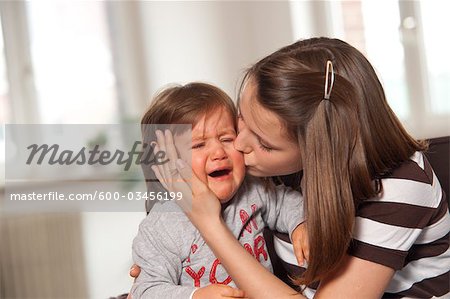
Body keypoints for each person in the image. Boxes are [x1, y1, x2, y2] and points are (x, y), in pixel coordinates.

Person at [151, 38, 450, 298]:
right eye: (240, 120)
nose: (238, 145)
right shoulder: (271, 170)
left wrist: (208, 224)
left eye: (264, 143)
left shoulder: (400, 188)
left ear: (317, 149)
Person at [131, 82, 306, 299]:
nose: (218, 152)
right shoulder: (162, 225)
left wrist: (300, 223)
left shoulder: (253, 191)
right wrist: (195, 296)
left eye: (226, 139)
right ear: (166, 163)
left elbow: (284, 201)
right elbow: (144, 291)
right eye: (198, 145)